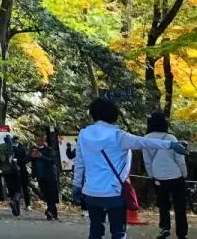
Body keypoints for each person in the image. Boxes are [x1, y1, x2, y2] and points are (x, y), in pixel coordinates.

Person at [73, 97, 187, 239]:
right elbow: (144, 142)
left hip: (90, 192)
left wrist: (77, 185)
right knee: (118, 233)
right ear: (113, 115)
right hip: (114, 192)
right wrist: (171, 145)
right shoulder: (118, 135)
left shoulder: (83, 134)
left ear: (93, 114)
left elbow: (79, 163)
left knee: (95, 232)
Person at [144, 111, 188, 239]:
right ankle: (181, 233)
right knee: (180, 206)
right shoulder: (171, 138)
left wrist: (152, 175)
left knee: (163, 204)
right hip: (176, 176)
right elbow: (180, 159)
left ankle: (165, 228)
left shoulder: (146, 139)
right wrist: (184, 174)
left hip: (159, 177)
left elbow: (147, 161)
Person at [31, 134, 60, 221]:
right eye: (37, 140)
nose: (39, 142)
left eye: (41, 140)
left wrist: (41, 156)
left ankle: (50, 211)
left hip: (50, 175)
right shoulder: (33, 150)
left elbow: (52, 161)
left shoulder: (49, 150)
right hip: (40, 176)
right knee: (46, 194)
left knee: (51, 194)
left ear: (44, 141)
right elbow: (28, 160)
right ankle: (53, 213)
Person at [0, 133, 24, 216]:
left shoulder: (0, 147)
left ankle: (14, 205)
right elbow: (22, 157)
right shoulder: (14, 147)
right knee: (18, 190)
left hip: (5, 171)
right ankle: (15, 200)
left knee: (11, 188)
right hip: (15, 171)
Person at [14, 137, 33, 209]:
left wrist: (18, 161)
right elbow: (27, 158)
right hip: (22, 169)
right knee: (24, 188)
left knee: (20, 188)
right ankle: (27, 205)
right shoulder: (22, 148)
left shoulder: (11, 148)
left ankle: (24, 204)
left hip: (17, 170)